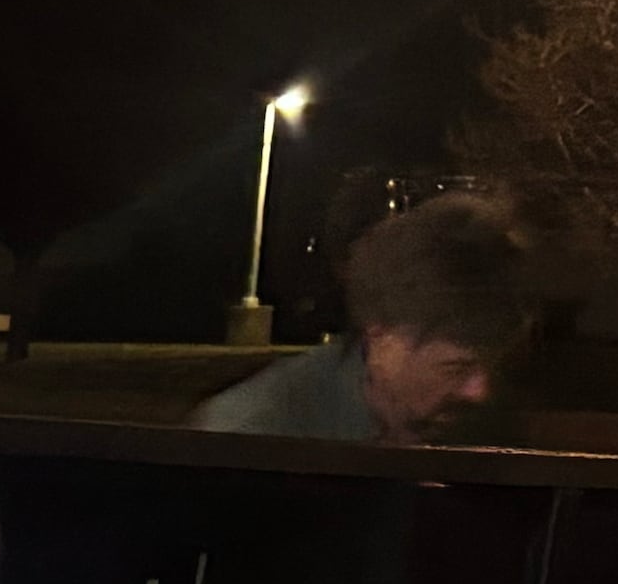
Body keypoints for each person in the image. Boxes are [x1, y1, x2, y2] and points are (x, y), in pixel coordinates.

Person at [200, 188, 535, 441]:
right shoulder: (252, 439)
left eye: (491, 365)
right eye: (457, 368)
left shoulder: (478, 435)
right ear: (382, 336)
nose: (479, 391)